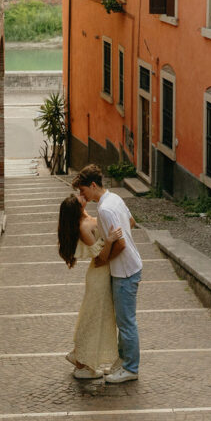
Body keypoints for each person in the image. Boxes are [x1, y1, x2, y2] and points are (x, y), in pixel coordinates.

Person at [72, 164, 143, 384]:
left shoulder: (104, 210)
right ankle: (123, 362)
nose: (82, 195)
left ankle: (130, 369)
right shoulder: (115, 198)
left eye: (83, 190)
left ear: (93, 185)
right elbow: (131, 222)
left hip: (124, 271)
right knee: (124, 321)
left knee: (126, 323)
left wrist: (104, 259)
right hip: (131, 265)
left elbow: (120, 244)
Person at [57, 193, 120, 379]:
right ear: (77, 208)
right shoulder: (84, 226)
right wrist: (109, 240)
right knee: (93, 318)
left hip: (102, 274)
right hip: (99, 277)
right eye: (79, 199)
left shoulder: (88, 218)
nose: (82, 197)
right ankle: (82, 364)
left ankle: (78, 355)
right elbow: (100, 256)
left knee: (93, 317)